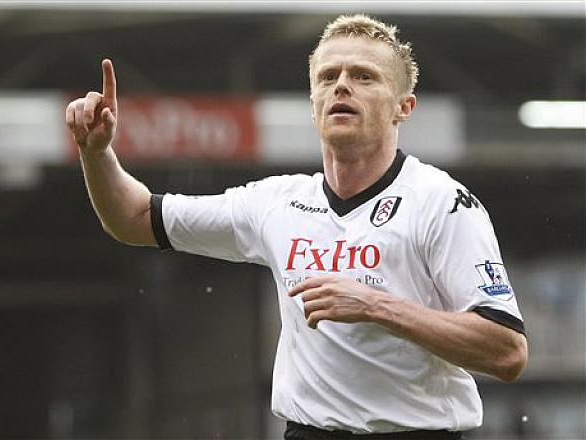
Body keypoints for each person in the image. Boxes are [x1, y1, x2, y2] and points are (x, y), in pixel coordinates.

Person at [66, 14, 527, 440]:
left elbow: (507, 352)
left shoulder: (442, 202)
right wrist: (96, 154)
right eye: (328, 77)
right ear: (313, 104)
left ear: (403, 107)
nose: (341, 86)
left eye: (363, 76)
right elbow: (133, 219)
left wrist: (375, 305)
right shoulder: (276, 202)